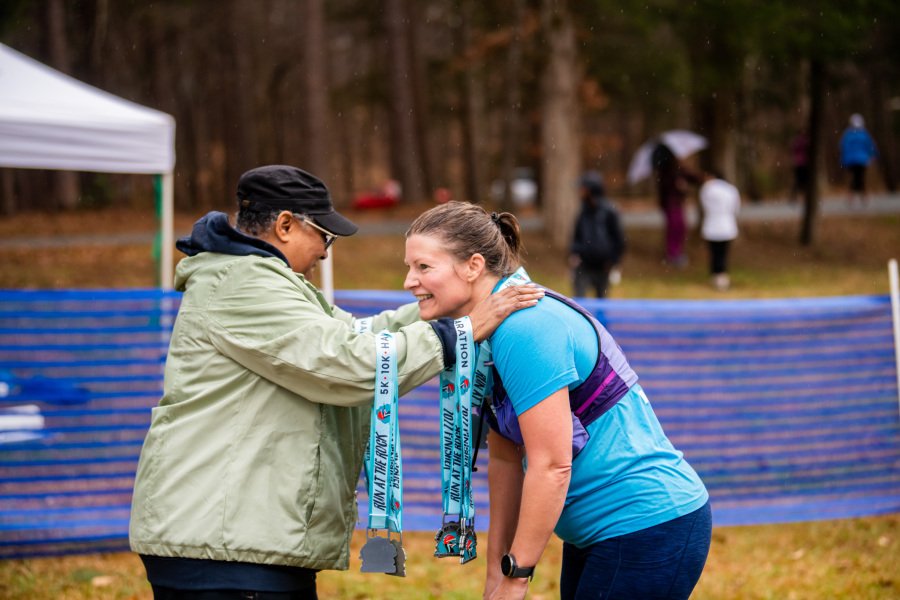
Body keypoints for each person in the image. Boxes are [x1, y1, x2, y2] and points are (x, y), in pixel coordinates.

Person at [128, 165, 543, 599]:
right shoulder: (242, 284)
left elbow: (358, 336)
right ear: (285, 225)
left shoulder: (260, 280)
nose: (326, 252)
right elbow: (349, 364)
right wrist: (461, 330)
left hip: (240, 539)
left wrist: (447, 306)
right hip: (223, 546)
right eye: (324, 236)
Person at [404, 201, 711, 600]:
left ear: (473, 266)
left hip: (645, 524)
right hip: (597, 534)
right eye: (410, 267)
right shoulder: (485, 331)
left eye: (424, 267)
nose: (410, 281)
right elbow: (505, 460)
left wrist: (518, 576)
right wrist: (497, 575)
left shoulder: (525, 327)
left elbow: (551, 465)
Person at [569, 171, 626, 298]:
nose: (580, 191)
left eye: (583, 188)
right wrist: (575, 254)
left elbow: (619, 240)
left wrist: (613, 261)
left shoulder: (609, 212)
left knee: (602, 304)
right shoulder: (583, 212)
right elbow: (576, 237)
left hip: (603, 267)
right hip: (584, 266)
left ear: (591, 189)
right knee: (579, 303)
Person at [651, 143, 701, 268]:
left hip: (677, 203)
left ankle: (677, 252)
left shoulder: (678, 170)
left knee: (681, 227)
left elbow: (692, 177)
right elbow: (667, 188)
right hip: (670, 203)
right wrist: (678, 186)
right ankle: (672, 254)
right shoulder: (665, 172)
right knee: (675, 227)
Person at [699, 171, 740, 291]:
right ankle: (722, 276)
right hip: (727, 225)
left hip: (712, 225)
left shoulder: (707, 188)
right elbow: (736, 208)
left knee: (714, 252)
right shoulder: (731, 189)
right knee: (723, 253)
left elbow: (704, 205)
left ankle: (716, 275)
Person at [839, 113, 878, 207]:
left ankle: (852, 197)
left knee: (854, 178)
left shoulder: (847, 134)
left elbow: (842, 146)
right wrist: (874, 156)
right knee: (860, 178)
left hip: (850, 160)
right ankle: (863, 197)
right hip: (862, 160)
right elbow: (870, 146)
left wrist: (843, 159)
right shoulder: (864, 134)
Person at [789, 129, 810, 204]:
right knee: (804, 182)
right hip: (804, 163)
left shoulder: (796, 141)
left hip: (797, 163)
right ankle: (803, 197)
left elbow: (792, 150)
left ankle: (794, 197)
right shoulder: (805, 141)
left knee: (798, 181)